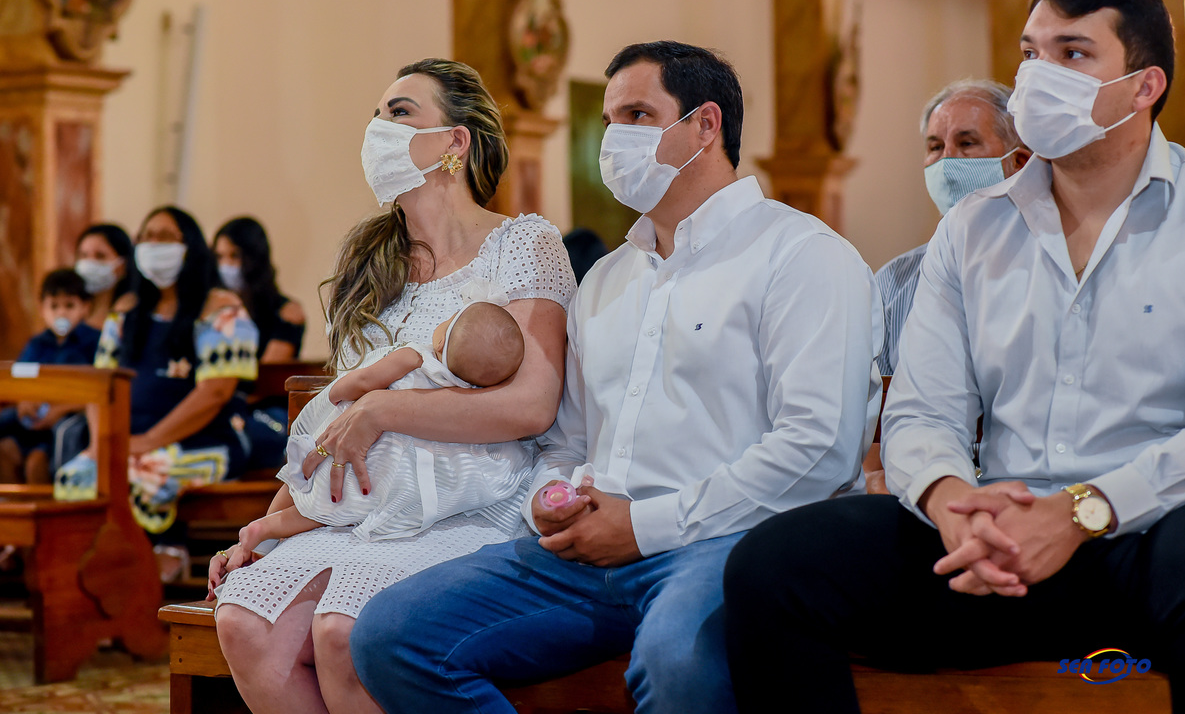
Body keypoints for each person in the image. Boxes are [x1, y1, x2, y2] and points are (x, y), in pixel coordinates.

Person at [724, 0, 1185, 712]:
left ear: (1144, 87)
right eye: (1031, 51)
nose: (1039, 74)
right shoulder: (975, 228)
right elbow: (923, 409)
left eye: (1073, 53)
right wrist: (951, 502)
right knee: (774, 566)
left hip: (1149, 535)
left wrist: (1084, 511)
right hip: (993, 541)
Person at [349, 41, 881, 713]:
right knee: (392, 635)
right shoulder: (606, 279)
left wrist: (645, 526)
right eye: (608, 121)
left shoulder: (802, 255)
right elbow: (568, 441)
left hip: (731, 542)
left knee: (677, 659)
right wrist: (550, 500)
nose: (613, 139)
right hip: (591, 549)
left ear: (705, 125)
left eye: (637, 115)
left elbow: (818, 449)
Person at [207, 58, 575, 714]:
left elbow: (532, 405)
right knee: (244, 622)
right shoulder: (368, 263)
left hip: (475, 499)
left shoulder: (523, 243)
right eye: (376, 116)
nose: (379, 128)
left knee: (344, 633)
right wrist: (269, 524)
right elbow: (332, 420)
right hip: (362, 504)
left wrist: (387, 409)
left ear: (455, 140)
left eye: (400, 113)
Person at [234, 298, 526, 552]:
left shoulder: (416, 357)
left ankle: (266, 527)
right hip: (397, 472)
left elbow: (364, 380)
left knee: (311, 479)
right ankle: (269, 527)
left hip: (367, 445)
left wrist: (334, 394)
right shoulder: (465, 394)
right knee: (341, 506)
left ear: (440, 342)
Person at [54, 206, 259, 546]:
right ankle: (95, 568)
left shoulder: (222, 309)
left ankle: (157, 559)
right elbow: (100, 386)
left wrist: (150, 440)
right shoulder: (126, 310)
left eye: (164, 237)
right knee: (76, 477)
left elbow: (216, 392)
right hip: (128, 441)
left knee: (143, 476)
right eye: (147, 237)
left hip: (206, 439)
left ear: (190, 246)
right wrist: (101, 444)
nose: (153, 245)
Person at [875, 80, 1030, 376]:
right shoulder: (892, 283)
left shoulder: (1052, 266)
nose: (946, 161)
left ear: (1018, 162)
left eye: (966, 143)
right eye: (935, 147)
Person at [213, 216, 307, 469]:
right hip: (217, 404)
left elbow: (261, 379)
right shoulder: (209, 311)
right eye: (219, 257)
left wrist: (216, 392)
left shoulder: (286, 312)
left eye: (234, 256)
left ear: (254, 258)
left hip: (262, 411)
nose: (226, 265)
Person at [0, 268, 100, 484]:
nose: (61, 313)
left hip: (65, 427)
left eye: (69, 306)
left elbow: (99, 391)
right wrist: (23, 400)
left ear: (86, 307)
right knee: (6, 452)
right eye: (54, 306)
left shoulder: (95, 342)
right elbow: (19, 380)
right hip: (31, 423)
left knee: (36, 463)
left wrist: (60, 410)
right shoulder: (37, 343)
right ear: (42, 309)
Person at [74, 222, 135, 331]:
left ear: (123, 265)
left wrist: (116, 317)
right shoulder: (68, 309)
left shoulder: (132, 314)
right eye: (83, 255)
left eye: (100, 256)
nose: (90, 263)